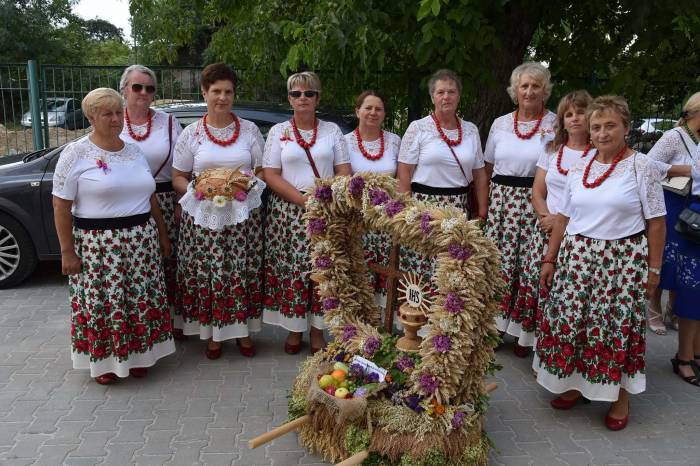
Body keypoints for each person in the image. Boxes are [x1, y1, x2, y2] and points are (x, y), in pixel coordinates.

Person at [537, 95, 666, 430]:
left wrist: (654, 269)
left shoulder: (642, 166)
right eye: (596, 127)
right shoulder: (580, 166)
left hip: (621, 262)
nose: (603, 132)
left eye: (611, 125)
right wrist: (550, 258)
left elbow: (656, 222)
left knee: (615, 329)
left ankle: (620, 397)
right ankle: (575, 385)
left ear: (626, 127)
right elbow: (563, 217)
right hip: (577, 258)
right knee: (574, 322)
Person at [52, 88, 175, 384]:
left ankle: (140, 357)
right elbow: (60, 203)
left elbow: (151, 197)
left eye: (119, 112)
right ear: (91, 117)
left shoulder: (133, 150)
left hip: (140, 241)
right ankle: (106, 363)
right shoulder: (76, 153)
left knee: (139, 300)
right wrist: (67, 251)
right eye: (107, 113)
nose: (116, 119)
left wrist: (162, 235)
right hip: (98, 245)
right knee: (104, 304)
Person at [172, 63, 265, 360]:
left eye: (227, 92)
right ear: (204, 92)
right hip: (203, 219)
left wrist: (246, 188)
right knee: (210, 274)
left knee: (240, 272)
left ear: (234, 94)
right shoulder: (192, 133)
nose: (222, 98)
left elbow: (262, 170)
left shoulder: (249, 130)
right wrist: (198, 192)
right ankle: (213, 334)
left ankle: (242, 332)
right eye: (216, 91)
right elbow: (178, 175)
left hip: (241, 219)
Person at [262, 71, 351, 354]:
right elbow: (271, 174)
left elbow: (344, 172)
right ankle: (293, 330)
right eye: (296, 94)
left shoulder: (332, 131)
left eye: (309, 93)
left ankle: (316, 331)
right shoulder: (278, 132)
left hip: (325, 211)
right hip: (288, 212)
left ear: (317, 98)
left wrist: (324, 198)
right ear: (289, 98)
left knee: (322, 271)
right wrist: (303, 200)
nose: (303, 98)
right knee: (292, 271)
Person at [483, 62, 557, 357]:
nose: (529, 91)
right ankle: (496, 328)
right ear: (515, 90)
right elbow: (488, 167)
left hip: (538, 201)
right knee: (501, 266)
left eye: (535, 86)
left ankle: (525, 334)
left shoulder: (555, 124)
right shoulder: (500, 123)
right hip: (503, 203)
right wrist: (487, 206)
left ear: (545, 91)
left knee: (531, 268)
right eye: (524, 86)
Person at [396, 69, 488, 292]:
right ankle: (414, 321)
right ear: (432, 97)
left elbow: (479, 174)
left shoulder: (470, 130)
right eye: (440, 92)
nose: (446, 96)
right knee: (420, 264)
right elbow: (404, 172)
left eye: (451, 91)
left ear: (459, 96)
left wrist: (482, 213)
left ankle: (447, 319)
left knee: (452, 265)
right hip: (424, 206)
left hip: (458, 208)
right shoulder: (418, 128)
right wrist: (408, 210)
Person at [119, 64, 184, 340]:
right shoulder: (112, 119)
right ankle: (143, 322)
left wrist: (182, 201)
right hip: (128, 202)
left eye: (149, 88)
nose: (144, 92)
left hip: (166, 198)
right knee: (137, 266)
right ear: (124, 89)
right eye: (137, 87)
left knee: (171, 261)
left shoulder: (169, 122)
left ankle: (174, 321)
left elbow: (183, 165)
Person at [525, 90, 593, 348]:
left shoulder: (597, 154)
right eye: (569, 114)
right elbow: (538, 191)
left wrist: (561, 222)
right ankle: (535, 344)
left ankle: (556, 345)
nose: (575, 118)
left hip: (575, 232)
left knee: (564, 294)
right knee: (540, 287)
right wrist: (547, 217)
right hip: (545, 228)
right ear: (562, 120)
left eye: (581, 112)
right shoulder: (552, 149)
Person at [648, 92, 700, 386]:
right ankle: (656, 311)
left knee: (691, 279)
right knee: (671, 268)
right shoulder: (675, 135)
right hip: (676, 208)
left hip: (695, 209)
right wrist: (687, 170)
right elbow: (649, 164)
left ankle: (681, 325)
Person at [345, 90, 401, 308]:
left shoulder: (395, 141)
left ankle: (384, 324)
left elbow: (402, 178)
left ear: (385, 114)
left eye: (378, 109)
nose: (373, 113)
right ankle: (359, 326)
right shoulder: (344, 142)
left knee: (386, 269)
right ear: (357, 111)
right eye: (368, 108)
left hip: (387, 219)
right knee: (359, 269)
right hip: (357, 219)